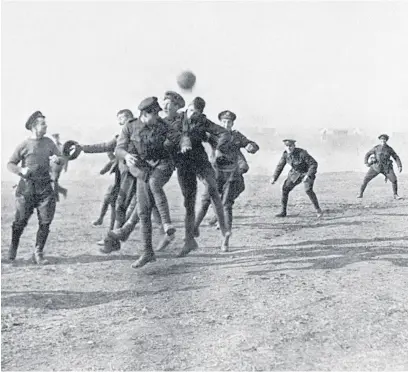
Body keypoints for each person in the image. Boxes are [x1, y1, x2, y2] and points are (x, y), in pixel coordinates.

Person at [114, 97, 180, 268]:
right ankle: (147, 252)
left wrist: (174, 143)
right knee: (143, 211)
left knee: (154, 184)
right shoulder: (130, 126)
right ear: (144, 113)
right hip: (143, 169)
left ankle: (166, 223)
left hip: (162, 164)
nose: (158, 116)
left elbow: (177, 136)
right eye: (154, 114)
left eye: (159, 113)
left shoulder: (162, 125)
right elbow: (118, 149)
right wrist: (127, 156)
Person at [169, 97, 230, 257]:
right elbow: (166, 133)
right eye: (191, 111)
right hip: (183, 164)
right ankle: (189, 241)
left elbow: (223, 133)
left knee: (212, 189)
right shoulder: (176, 118)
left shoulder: (203, 121)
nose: (193, 115)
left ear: (200, 113)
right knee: (189, 203)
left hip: (200, 161)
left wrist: (218, 148)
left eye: (196, 113)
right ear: (187, 108)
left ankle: (224, 230)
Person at [194, 110, 259, 251]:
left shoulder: (236, 136)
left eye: (229, 122)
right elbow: (199, 136)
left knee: (226, 205)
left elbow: (251, 144)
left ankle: (225, 239)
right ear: (220, 122)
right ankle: (194, 229)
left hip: (230, 175)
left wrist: (251, 147)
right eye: (223, 121)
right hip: (215, 174)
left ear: (232, 123)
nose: (226, 124)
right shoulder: (213, 135)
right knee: (205, 200)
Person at [7, 111, 64, 264]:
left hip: (45, 187)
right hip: (26, 189)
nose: (46, 126)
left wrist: (58, 159)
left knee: (45, 221)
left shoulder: (49, 142)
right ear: (34, 126)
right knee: (20, 221)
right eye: (42, 124)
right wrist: (20, 170)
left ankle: (38, 253)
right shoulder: (24, 145)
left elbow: (60, 159)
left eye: (45, 124)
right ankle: (13, 248)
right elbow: (10, 164)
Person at [270, 139, 323, 217]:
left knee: (308, 190)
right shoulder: (285, 155)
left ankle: (318, 210)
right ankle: (283, 212)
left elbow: (313, 164)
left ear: (294, 146)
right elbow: (280, 166)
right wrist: (274, 177)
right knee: (285, 189)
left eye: (290, 146)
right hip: (295, 173)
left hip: (307, 172)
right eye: (287, 146)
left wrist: (308, 175)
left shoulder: (302, 153)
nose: (289, 148)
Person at [358, 134, 403, 200]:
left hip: (386, 168)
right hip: (376, 167)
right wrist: (366, 162)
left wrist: (399, 166)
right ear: (380, 140)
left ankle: (395, 195)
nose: (383, 140)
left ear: (386, 140)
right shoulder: (376, 148)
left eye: (384, 139)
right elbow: (368, 154)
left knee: (394, 180)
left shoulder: (389, 149)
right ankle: (360, 193)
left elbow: (396, 157)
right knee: (365, 179)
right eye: (381, 139)